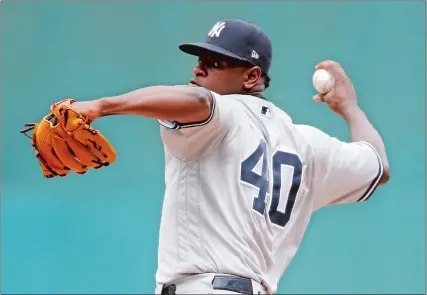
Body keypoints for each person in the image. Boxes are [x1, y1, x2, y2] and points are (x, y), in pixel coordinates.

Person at [71, 19, 390, 295]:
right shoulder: (307, 145)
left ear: (251, 77)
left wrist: (102, 106)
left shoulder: (224, 113)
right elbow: (377, 164)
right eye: (200, 58)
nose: (199, 68)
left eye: (215, 62)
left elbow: (197, 99)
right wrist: (351, 108)